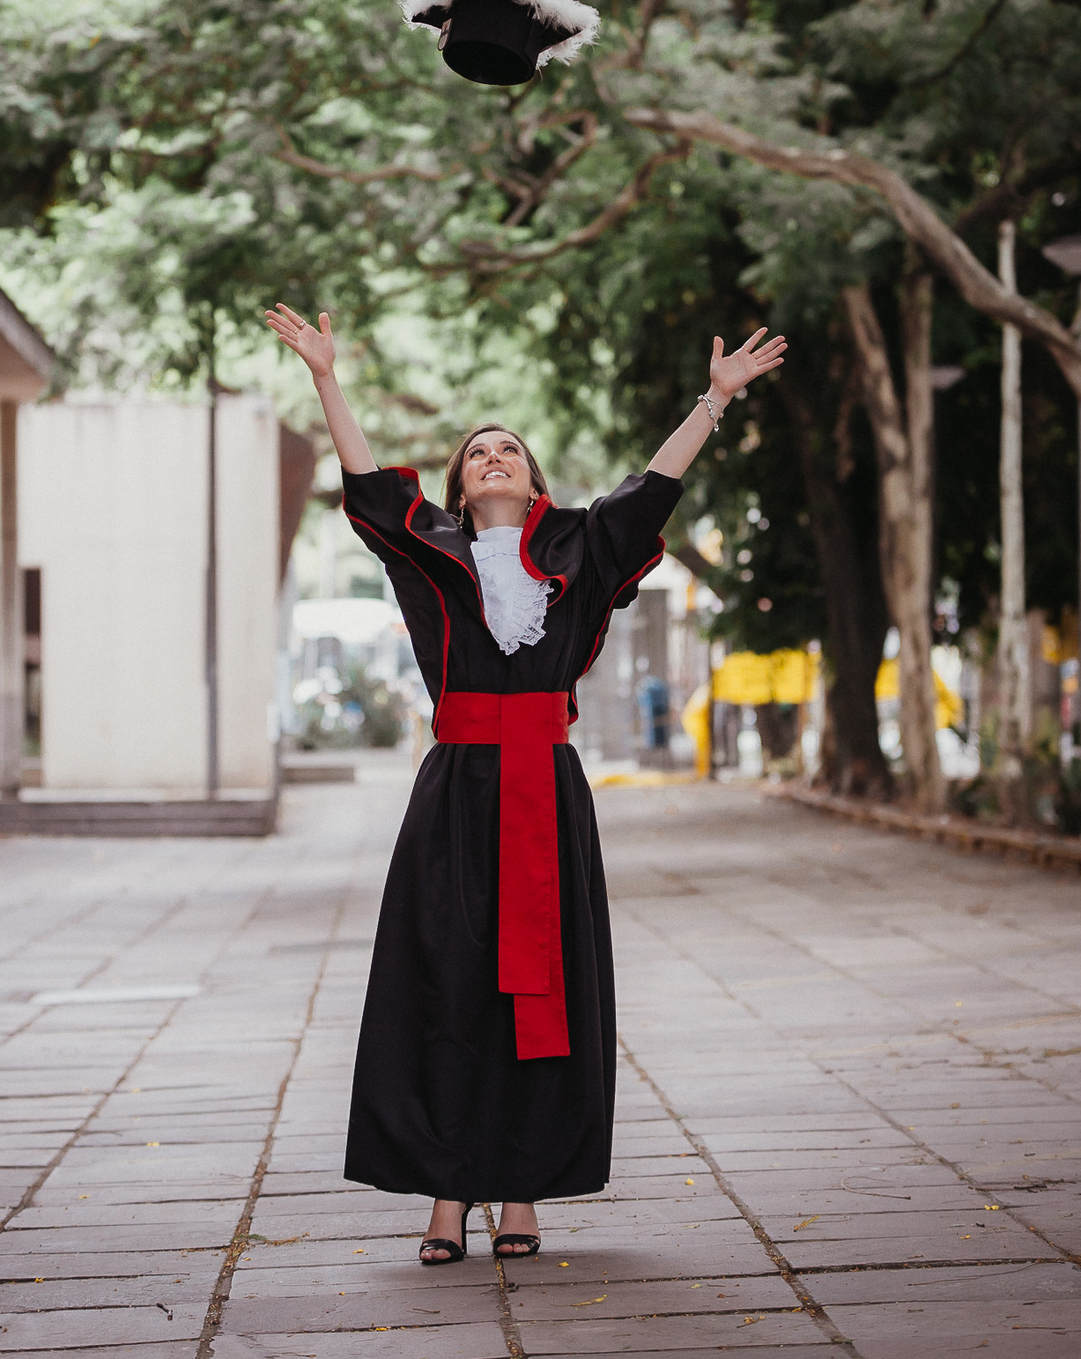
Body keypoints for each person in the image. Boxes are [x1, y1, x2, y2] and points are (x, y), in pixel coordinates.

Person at [265, 301, 786, 1265]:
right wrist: (327, 380)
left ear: (535, 478)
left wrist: (713, 402)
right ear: (461, 485)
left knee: (537, 992)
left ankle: (522, 1193)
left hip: (546, 792)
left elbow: (652, 490)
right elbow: (373, 490)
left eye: (509, 447)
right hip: (456, 796)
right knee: (446, 986)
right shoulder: (430, 556)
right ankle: (444, 1195)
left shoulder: (579, 552)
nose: (493, 456)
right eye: (477, 452)